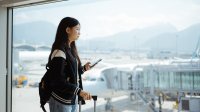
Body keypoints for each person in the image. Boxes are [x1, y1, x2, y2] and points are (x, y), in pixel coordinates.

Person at [47, 17, 92, 112]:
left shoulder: (70, 49)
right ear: (67, 30)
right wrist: (80, 91)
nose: (79, 33)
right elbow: (58, 81)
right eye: (77, 29)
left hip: (71, 99)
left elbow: (71, 73)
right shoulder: (59, 51)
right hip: (61, 100)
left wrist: (83, 69)